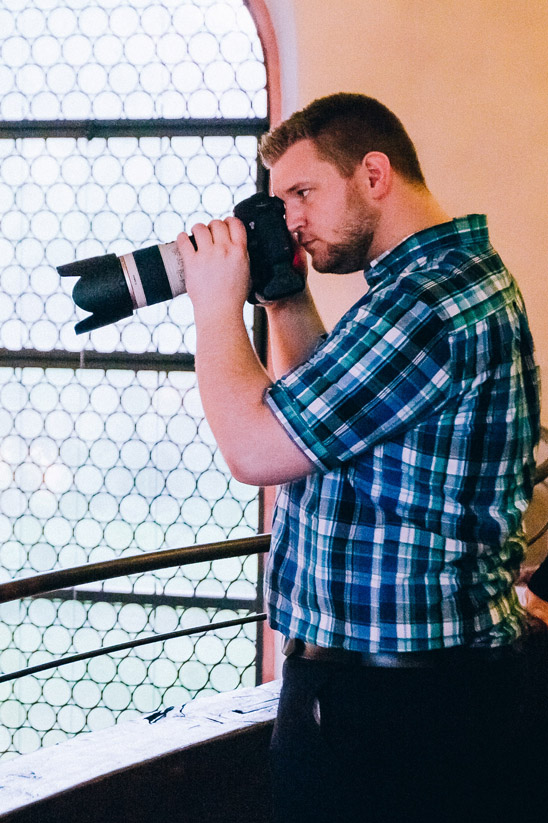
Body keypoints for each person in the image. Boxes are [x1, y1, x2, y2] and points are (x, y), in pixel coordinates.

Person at [176, 93, 541, 823]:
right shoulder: (433, 285)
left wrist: (215, 305)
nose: (290, 220)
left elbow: (257, 448)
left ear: (374, 174)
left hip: (397, 713)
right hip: (412, 696)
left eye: (302, 192)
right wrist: (282, 300)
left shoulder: (429, 303)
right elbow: (327, 427)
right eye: (278, 203)